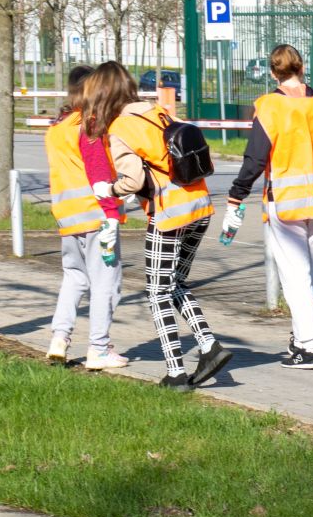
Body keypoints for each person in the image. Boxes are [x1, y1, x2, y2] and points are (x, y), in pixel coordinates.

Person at [83, 60, 231, 390]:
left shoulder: (120, 128)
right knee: (175, 283)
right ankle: (209, 347)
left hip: (169, 215)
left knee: (156, 292)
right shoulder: (156, 111)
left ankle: (176, 372)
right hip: (200, 205)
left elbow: (133, 179)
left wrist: (107, 189)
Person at [222, 45, 313, 371]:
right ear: (302, 68)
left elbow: (256, 158)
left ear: (274, 73)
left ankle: (312, 348)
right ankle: (302, 340)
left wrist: (236, 195)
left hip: (286, 202)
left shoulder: (270, 106)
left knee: (296, 277)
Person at [44, 65, 128, 371]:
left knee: (74, 278)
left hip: (68, 217)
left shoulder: (57, 127)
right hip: (97, 216)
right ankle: (99, 348)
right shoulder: (88, 125)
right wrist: (111, 214)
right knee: (106, 282)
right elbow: (98, 173)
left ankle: (59, 338)